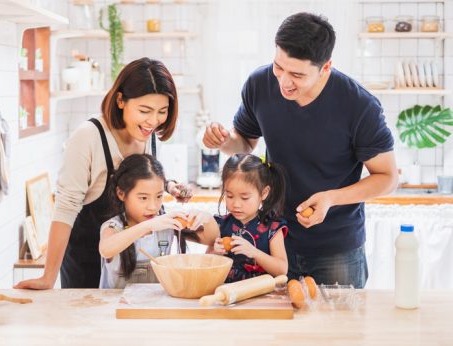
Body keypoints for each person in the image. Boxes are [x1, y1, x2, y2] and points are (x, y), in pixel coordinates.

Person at [202, 13, 398, 288]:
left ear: (325, 67)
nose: (284, 82)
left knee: (340, 327)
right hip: (273, 240)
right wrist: (223, 142)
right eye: (278, 67)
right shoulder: (259, 84)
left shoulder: (359, 106)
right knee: (275, 327)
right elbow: (245, 144)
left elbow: (387, 177)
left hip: (336, 247)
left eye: (297, 74)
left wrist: (331, 198)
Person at [15, 58, 191, 289]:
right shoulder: (88, 137)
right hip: (88, 267)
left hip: (132, 269)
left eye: (162, 111)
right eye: (144, 110)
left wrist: (168, 186)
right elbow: (65, 208)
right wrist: (48, 278)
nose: (153, 121)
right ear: (120, 100)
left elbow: (140, 177)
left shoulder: (148, 135)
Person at [99, 154, 218, 288]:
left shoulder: (164, 225)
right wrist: (149, 226)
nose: (153, 206)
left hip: (154, 306)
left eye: (159, 196)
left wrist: (207, 219)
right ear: (121, 194)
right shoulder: (113, 227)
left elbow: (212, 240)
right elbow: (105, 249)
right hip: (116, 307)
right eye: (143, 198)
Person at [211, 154, 288, 283]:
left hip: (262, 294)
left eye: (245, 198)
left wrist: (254, 252)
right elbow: (207, 262)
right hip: (227, 293)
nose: (236, 204)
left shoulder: (272, 227)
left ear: (264, 193)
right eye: (229, 196)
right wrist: (215, 253)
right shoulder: (221, 224)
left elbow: (282, 269)